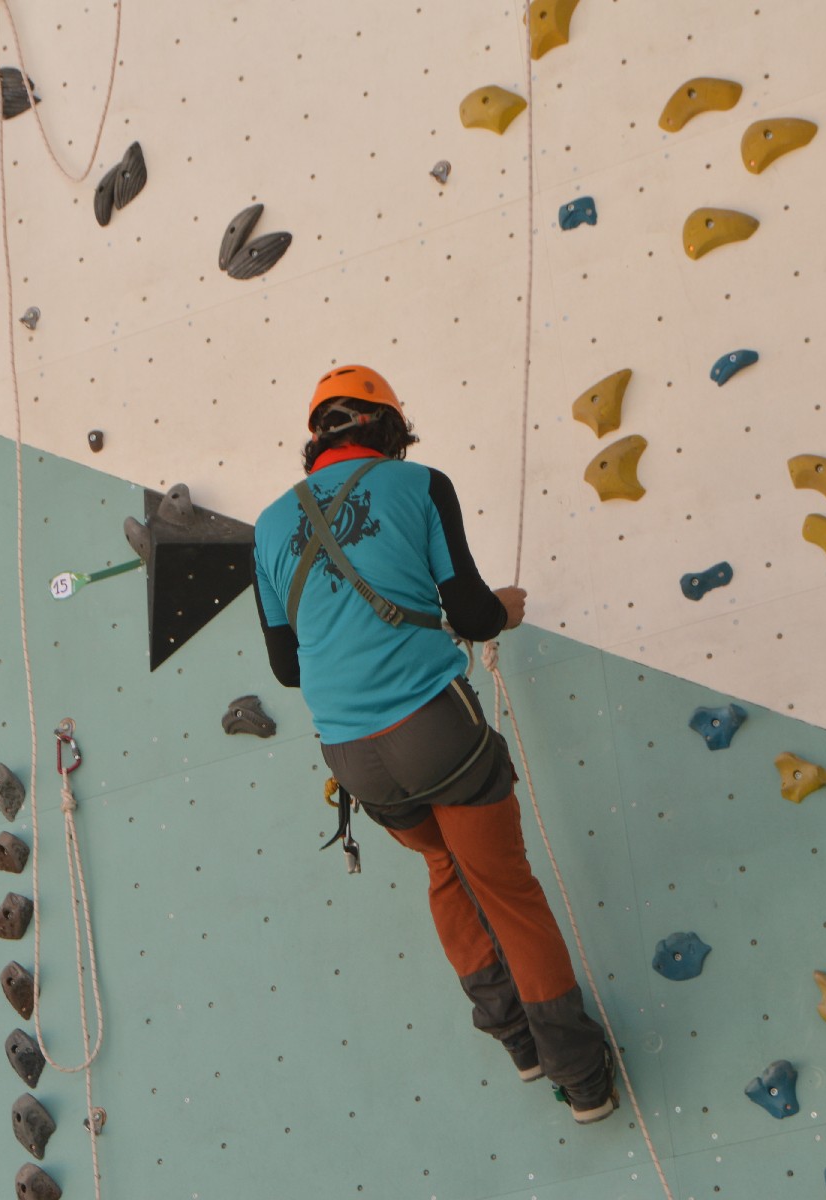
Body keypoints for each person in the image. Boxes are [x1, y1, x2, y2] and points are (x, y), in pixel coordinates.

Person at [251, 364, 617, 1124]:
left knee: (444, 866)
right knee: (507, 893)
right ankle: (582, 1081)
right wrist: (504, 611)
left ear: (316, 437)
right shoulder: (419, 485)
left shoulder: (268, 525)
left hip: (353, 759)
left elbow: (288, 667)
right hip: (435, 729)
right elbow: (474, 615)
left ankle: (517, 1044)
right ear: (390, 429)